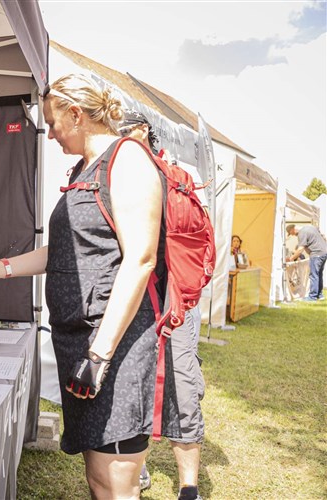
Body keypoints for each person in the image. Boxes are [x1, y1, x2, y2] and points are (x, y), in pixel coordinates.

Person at [0, 74, 181, 499]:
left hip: (116, 346)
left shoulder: (127, 160)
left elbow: (141, 260)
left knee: (116, 482)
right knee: (98, 477)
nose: (51, 132)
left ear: (76, 115)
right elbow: (59, 251)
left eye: (53, 122)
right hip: (83, 342)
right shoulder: (84, 170)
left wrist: (100, 355)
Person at [118, 110, 205, 500]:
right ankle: (141, 468)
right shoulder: (116, 171)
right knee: (134, 381)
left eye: (122, 133)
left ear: (140, 131)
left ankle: (189, 487)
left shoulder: (175, 174)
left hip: (175, 296)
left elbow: (196, 242)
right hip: (136, 294)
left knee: (182, 384)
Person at [285, 224, 327, 301]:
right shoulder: (310, 227)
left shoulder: (302, 233)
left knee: (313, 275)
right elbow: (323, 237)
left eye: (291, 233)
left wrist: (291, 258)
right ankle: (320, 295)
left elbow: (301, 249)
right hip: (323, 253)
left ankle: (312, 297)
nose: (292, 235)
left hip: (316, 254)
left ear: (292, 229)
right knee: (319, 274)